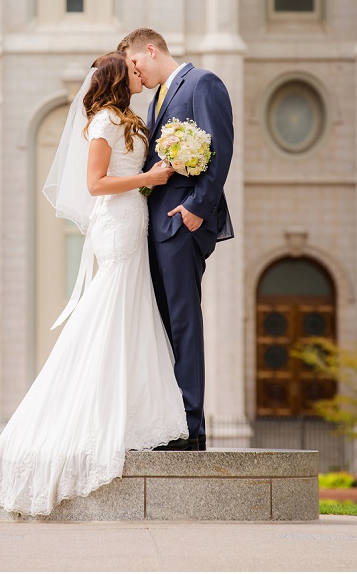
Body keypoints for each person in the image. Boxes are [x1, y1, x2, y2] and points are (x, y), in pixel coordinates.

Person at [0, 52, 187, 517]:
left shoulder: (127, 117)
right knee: (110, 309)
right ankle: (95, 411)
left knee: (132, 309)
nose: (140, 74)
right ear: (116, 79)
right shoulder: (104, 122)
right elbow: (95, 183)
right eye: (132, 71)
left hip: (134, 218)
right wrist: (149, 178)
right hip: (116, 221)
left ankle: (134, 407)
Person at [118, 28, 234, 452]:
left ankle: (190, 427)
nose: (136, 73)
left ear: (151, 50)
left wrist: (195, 209)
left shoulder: (203, 83)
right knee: (164, 324)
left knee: (184, 323)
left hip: (181, 224)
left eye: (136, 63)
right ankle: (168, 421)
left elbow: (219, 150)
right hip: (157, 227)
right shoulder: (156, 98)